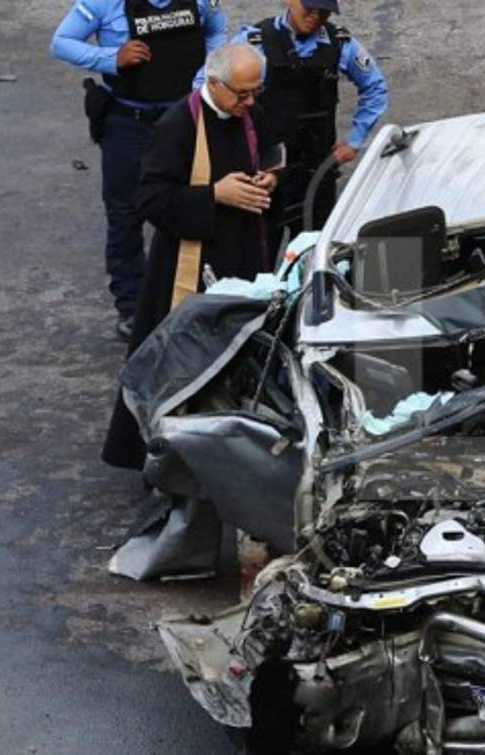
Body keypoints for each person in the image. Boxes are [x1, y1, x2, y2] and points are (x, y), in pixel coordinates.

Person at [101, 42, 279, 471]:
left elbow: (271, 155)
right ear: (214, 84)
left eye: (256, 93)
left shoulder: (249, 114)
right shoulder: (177, 125)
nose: (250, 103)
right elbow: (150, 200)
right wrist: (214, 194)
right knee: (178, 365)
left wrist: (270, 179)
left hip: (243, 255)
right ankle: (164, 460)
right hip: (190, 264)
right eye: (242, 94)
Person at [52, 0, 229, 341]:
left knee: (191, 205)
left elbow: (217, 30)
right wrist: (111, 58)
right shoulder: (105, 3)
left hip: (183, 120)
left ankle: (191, 298)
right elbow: (61, 42)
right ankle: (132, 307)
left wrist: (205, 75)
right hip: (128, 123)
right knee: (125, 215)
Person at [198, 0, 388, 254]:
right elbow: (207, 85)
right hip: (263, 171)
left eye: (324, 12)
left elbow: (375, 87)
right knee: (258, 253)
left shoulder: (340, 44)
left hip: (316, 170)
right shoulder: (255, 42)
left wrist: (355, 140)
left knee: (316, 252)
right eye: (309, 8)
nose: (315, 16)